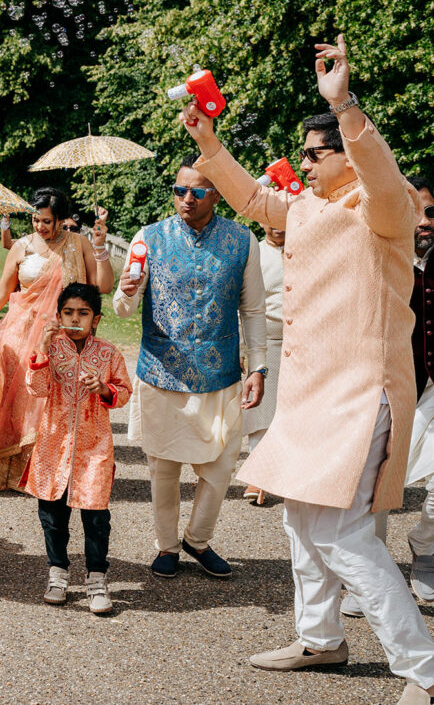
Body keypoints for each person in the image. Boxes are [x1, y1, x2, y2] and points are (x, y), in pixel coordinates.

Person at [184, 36, 434, 703]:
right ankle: (321, 639)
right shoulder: (309, 206)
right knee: (299, 520)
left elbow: (382, 176)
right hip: (312, 395)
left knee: (345, 535)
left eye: (314, 153)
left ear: (346, 155)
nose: (302, 163)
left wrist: (344, 105)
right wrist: (209, 143)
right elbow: (252, 200)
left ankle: (424, 669)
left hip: (361, 393)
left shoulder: (384, 207)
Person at [113, 157, 266, 579]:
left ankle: (197, 540)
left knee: (221, 466)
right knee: (163, 468)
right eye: (179, 190)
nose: (186, 199)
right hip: (162, 372)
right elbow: (123, 309)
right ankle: (166, 546)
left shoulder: (243, 241)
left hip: (221, 374)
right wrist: (125, 292)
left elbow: (253, 310)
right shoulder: (149, 237)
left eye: (197, 192)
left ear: (217, 195)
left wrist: (259, 367)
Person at [0, 188, 113, 491]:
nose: (40, 226)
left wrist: (100, 247)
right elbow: (4, 289)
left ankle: (51, 471)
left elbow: (102, 286)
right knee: (19, 399)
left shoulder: (78, 243)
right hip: (20, 332)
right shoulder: (21, 246)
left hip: (63, 334)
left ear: (61, 219)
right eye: (36, 220)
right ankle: (17, 473)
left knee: (56, 400)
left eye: (47, 221)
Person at [26, 283, 132, 614]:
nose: (75, 319)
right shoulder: (51, 348)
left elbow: (124, 393)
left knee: (96, 516)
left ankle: (97, 579)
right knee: (52, 515)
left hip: (94, 446)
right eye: (68, 312)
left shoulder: (109, 353)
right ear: (59, 316)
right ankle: (57, 573)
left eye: (83, 313)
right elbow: (36, 389)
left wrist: (105, 388)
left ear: (95, 319)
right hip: (53, 444)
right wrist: (42, 350)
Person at [404, 176, 434, 603]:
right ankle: (366, 575)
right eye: (415, 212)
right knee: (374, 486)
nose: (424, 221)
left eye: (431, 211)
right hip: (393, 386)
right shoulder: (381, 256)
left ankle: (425, 545)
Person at [243, 223, 286, 505]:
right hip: (265, 341)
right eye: (271, 218)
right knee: (262, 410)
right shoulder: (254, 253)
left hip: (304, 340)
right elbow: (243, 303)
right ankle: (257, 476)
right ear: (261, 221)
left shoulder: (307, 250)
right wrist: (241, 348)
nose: (277, 225)